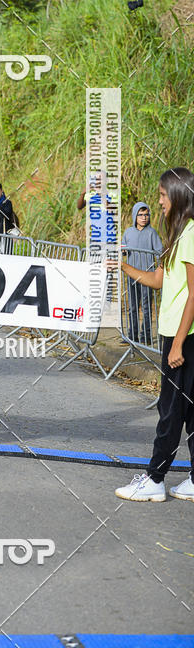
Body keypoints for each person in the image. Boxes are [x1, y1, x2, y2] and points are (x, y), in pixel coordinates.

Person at [114, 167, 194, 503]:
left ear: (177, 195)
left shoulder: (190, 233)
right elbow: (160, 280)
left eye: (162, 195)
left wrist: (177, 342)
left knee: (170, 409)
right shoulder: (177, 233)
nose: (158, 201)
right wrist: (123, 266)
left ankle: (155, 478)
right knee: (189, 410)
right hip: (178, 334)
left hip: (183, 336)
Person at [123, 202, 163, 344]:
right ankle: (132, 335)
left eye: (146, 215)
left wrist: (160, 268)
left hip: (147, 276)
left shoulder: (151, 233)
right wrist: (121, 251)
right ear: (135, 216)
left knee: (146, 307)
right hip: (132, 276)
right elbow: (123, 248)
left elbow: (160, 251)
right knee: (132, 307)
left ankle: (145, 336)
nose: (144, 217)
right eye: (140, 215)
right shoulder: (128, 232)